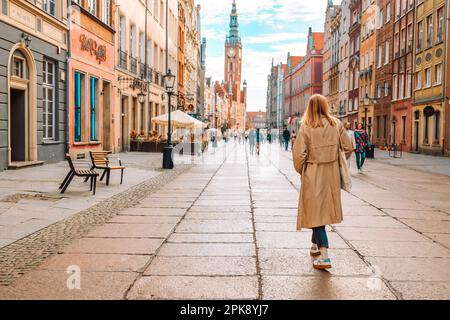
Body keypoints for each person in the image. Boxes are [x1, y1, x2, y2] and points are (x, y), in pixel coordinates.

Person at [292, 94, 353, 270]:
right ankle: (314, 244)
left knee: (315, 210)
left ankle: (325, 255)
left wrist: (302, 170)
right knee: (321, 209)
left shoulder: (306, 126)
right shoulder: (336, 124)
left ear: (309, 107)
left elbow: (299, 156)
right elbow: (348, 147)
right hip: (331, 173)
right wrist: (335, 159)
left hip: (314, 171)